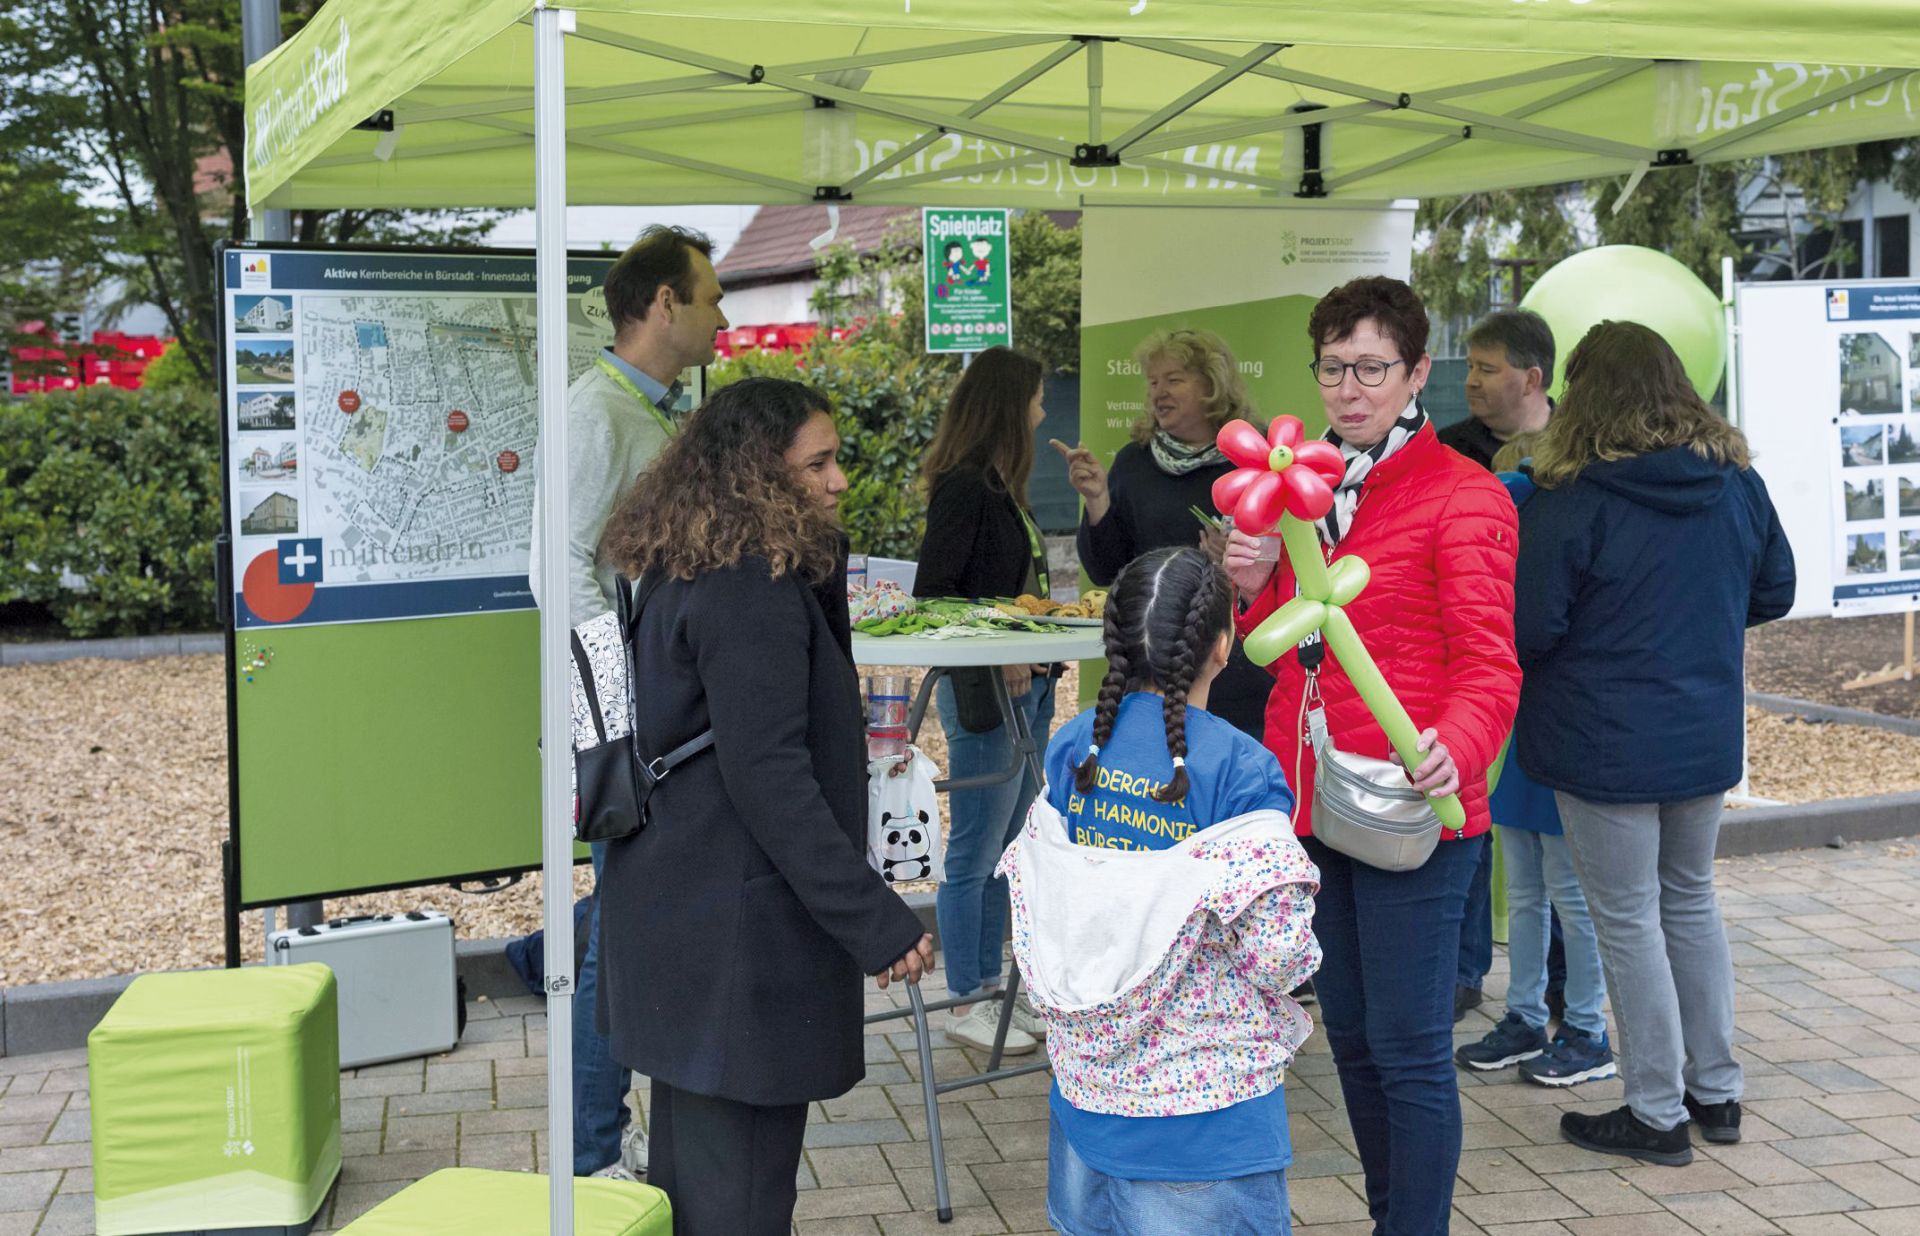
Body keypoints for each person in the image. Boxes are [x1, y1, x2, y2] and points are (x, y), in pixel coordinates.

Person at [596, 377, 935, 1235]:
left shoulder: (696, 556)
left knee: (702, 1183)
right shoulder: (749, 583)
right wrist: (878, 923)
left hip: (690, 911)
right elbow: (771, 776)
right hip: (732, 934)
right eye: (816, 463)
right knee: (737, 1203)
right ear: (755, 474)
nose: (838, 480)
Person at [1224, 275, 1520, 1235]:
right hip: (1314, 803)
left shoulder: (1462, 496)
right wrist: (1253, 579)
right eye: (1333, 369)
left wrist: (1457, 749)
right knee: (1349, 1037)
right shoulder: (1305, 495)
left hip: (1411, 803)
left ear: (1416, 371)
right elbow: (1281, 643)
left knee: (1409, 1048)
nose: (1349, 390)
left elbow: (1490, 665)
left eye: (1371, 368)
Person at [1514, 321, 1795, 1167]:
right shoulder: (1735, 481)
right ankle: (1716, 1091)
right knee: (1690, 903)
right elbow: (1774, 591)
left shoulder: (1572, 496)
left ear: (1582, 394)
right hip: (1701, 732)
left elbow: (1532, 627)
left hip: (1604, 743)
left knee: (1629, 918)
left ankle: (1655, 1111)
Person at [999, 547, 1320, 1236]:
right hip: (1204, 1123)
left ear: (1110, 639)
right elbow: (1279, 954)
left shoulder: (1074, 747)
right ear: (1223, 646)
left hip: (1087, 1097)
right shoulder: (1239, 768)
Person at [524, 223, 728, 1180]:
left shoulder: (640, 411)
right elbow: (553, 568)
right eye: (713, 297)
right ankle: (591, 1153)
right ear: (663, 306)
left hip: (646, 715)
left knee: (623, 915)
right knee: (616, 926)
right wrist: (612, 700)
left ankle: (602, 1134)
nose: (724, 317)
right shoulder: (596, 415)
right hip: (622, 722)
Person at [1454, 432, 1616, 1089]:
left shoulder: (1539, 504)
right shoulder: (1531, 508)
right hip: (1521, 733)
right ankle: (1524, 1016)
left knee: (1568, 896)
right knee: (1527, 890)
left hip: (1559, 727)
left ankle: (1586, 1028)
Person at [913, 347, 1058, 1054]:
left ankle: (998, 990)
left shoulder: (1004, 486)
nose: (1041, 410)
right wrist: (1002, 647)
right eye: (1033, 398)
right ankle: (964, 995)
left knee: (1012, 850)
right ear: (1010, 405)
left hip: (1027, 683)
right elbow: (934, 596)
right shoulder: (967, 487)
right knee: (976, 849)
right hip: (986, 690)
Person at [1053, 328, 1273, 739]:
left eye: (1174, 379)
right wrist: (1098, 499)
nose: (1159, 392)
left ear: (1212, 384)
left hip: (1239, 674)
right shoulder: (1135, 461)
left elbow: (1287, 565)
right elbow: (1106, 570)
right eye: (1153, 382)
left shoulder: (1254, 459)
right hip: (1153, 670)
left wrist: (1243, 560)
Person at [1444, 308, 1561, 1019]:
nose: (1473, 382)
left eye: (1487, 369)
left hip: (1552, 676)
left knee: (1557, 863)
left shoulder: (1583, 448)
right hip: (1468, 668)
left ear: (1533, 376)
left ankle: (1559, 994)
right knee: (1473, 826)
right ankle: (1465, 973)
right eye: (1470, 367)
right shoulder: (1449, 450)